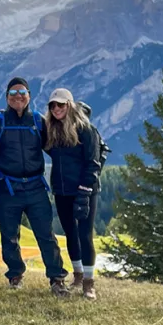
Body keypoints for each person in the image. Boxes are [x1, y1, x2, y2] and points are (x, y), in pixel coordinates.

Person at [0, 77, 69, 296]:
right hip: (8, 188)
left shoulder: (39, 122)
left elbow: (57, 149)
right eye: (13, 93)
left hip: (35, 188)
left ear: (29, 95)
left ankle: (56, 278)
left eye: (22, 91)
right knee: (9, 235)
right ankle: (15, 275)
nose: (18, 96)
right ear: (6, 98)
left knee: (46, 234)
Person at [44, 88, 102, 300]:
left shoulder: (86, 130)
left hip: (85, 190)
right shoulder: (53, 131)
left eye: (61, 104)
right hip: (62, 190)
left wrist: (84, 192)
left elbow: (93, 164)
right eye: (53, 105)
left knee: (85, 235)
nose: (57, 108)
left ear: (70, 105)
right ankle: (77, 276)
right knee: (70, 233)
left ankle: (89, 283)